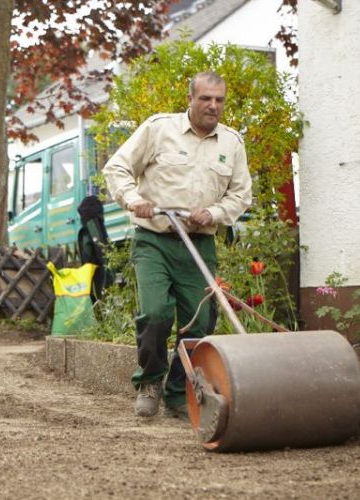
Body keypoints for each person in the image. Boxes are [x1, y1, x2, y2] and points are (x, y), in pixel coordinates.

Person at [102, 71, 252, 418]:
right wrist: (133, 199)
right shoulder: (158, 129)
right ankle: (149, 382)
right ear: (190, 99)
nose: (213, 106)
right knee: (155, 313)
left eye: (219, 100)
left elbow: (241, 195)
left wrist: (213, 212)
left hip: (199, 244)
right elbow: (117, 168)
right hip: (154, 238)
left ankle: (176, 393)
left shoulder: (232, 143)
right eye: (205, 98)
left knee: (199, 324)